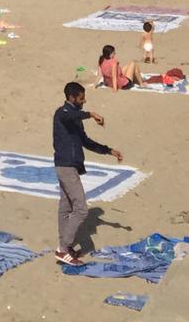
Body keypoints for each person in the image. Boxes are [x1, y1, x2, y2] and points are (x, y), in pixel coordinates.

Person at [53, 82, 123, 266]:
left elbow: (86, 142)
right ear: (71, 98)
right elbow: (70, 116)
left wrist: (109, 151)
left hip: (71, 166)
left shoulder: (75, 118)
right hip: (65, 166)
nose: (84, 101)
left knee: (66, 207)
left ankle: (64, 247)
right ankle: (62, 248)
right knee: (82, 209)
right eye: (81, 98)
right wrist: (91, 114)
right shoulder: (62, 113)